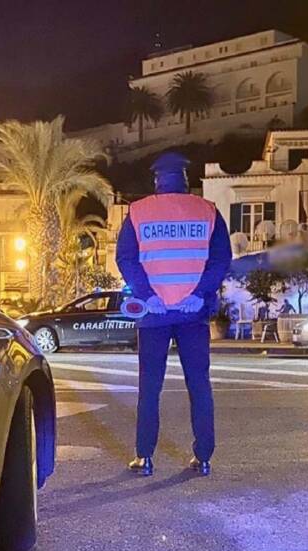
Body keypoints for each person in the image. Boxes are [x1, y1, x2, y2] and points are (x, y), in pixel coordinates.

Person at [116, 152, 232, 477]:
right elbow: (221, 259)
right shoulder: (207, 211)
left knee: (150, 388)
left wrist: (148, 295)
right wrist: (199, 294)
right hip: (192, 313)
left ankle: (145, 458)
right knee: (200, 385)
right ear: (185, 179)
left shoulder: (139, 212)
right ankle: (204, 457)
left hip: (154, 315)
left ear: (157, 180)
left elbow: (126, 258)